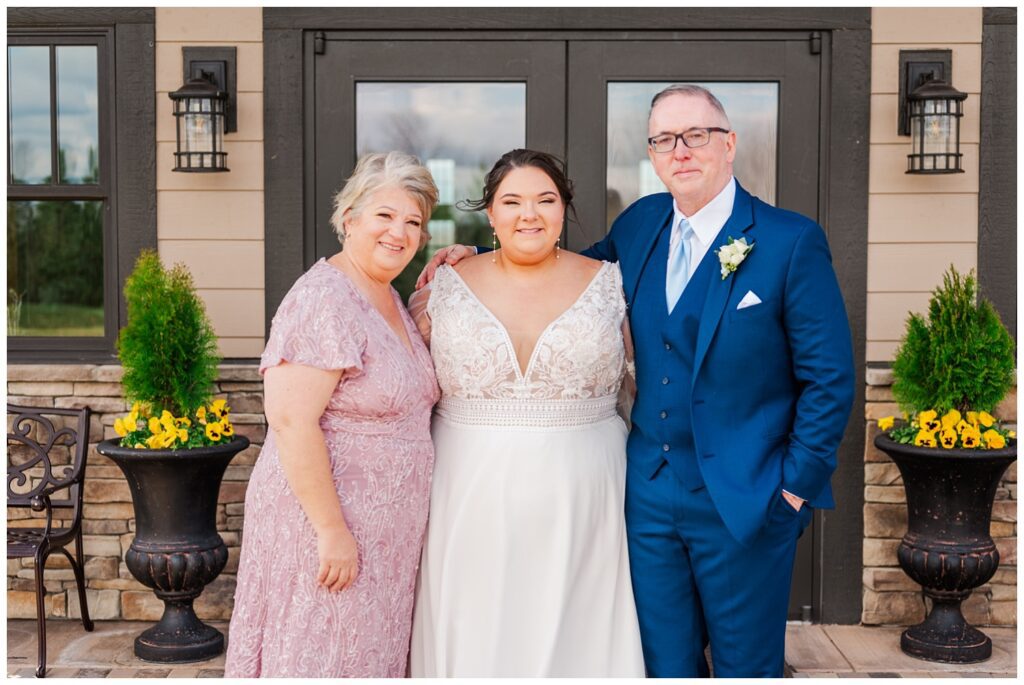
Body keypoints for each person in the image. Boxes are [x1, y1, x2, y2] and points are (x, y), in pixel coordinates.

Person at [418, 85, 855, 677]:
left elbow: (829, 378)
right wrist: (471, 250)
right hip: (645, 498)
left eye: (696, 135)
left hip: (747, 496)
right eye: (663, 139)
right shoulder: (642, 224)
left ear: (729, 144)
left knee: (746, 664)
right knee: (661, 663)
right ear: (651, 152)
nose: (681, 150)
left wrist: (793, 489)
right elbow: (561, 272)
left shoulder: (789, 240)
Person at [407, 149, 645, 677]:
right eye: (511, 201)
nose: (529, 214)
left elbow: (642, 389)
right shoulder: (441, 286)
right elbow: (403, 390)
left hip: (584, 496)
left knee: (575, 635)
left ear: (564, 209)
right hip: (465, 496)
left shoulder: (612, 283)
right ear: (490, 213)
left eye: (545, 199)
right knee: (476, 629)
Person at [224, 152, 440, 677]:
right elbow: (292, 420)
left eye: (414, 222)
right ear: (349, 219)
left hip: (386, 531)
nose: (399, 232)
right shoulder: (324, 297)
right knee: (320, 653)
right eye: (385, 216)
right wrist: (331, 529)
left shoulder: (390, 295)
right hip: (325, 522)